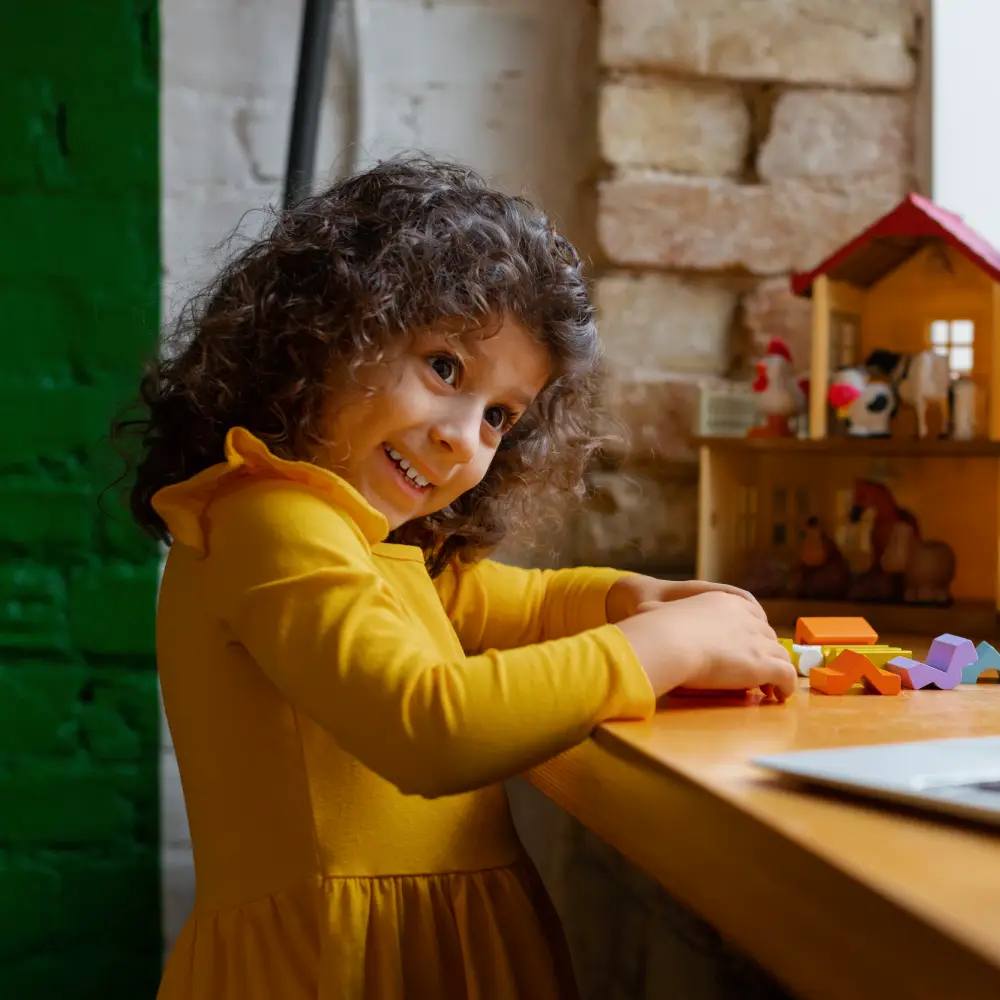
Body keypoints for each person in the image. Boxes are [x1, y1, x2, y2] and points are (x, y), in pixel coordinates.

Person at [115, 157, 795, 1000]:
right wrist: (657, 646)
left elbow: (526, 602)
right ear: (327, 329)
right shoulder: (268, 522)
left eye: (500, 416)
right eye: (444, 367)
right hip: (334, 971)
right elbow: (428, 726)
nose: (463, 438)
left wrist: (635, 596)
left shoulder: (368, 545)